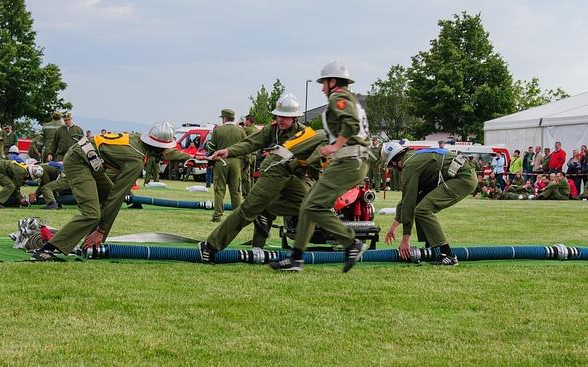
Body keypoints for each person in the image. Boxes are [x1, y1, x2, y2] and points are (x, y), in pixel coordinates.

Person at [198, 93, 328, 263]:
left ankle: (268, 212)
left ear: (295, 118)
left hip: (294, 176)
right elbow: (250, 143)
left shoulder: (307, 134)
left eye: (285, 116)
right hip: (274, 171)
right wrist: (228, 151)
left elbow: (316, 164)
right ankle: (210, 246)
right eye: (279, 115)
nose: (280, 119)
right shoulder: (271, 130)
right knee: (248, 209)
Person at [32, 123, 191, 261]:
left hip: (91, 160)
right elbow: (117, 195)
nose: (165, 153)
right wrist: (101, 230)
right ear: (157, 148)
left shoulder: (136, 140)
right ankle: (49, 249)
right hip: (79, 161)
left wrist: (196, 158)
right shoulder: (135, 161)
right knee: (92, 214)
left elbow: (168, 153)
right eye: (164, 149)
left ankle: (91, 245)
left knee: (106, 199)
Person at [270, 61, 370, 273]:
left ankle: (351, 244)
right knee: (307, 205)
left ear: (333, 82)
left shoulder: (338, 97)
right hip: (352, 160)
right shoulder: (348, 98)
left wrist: (335, 146)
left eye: (324, 83)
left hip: (349, 161)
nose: (322, 88)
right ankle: (296, 258)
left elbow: (351, 124)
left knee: (314, 206)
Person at [381, 142, 477, 265]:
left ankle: (447, 255)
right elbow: (408, 199)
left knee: (423, 210)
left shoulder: (409, 166)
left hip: (462, 178)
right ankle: (432, 248)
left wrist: (406, 238)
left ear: (394, 163)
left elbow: (409, 202)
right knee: (421, 205)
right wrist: (394, 226)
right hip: (463, 174)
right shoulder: (414, 157)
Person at [208, 109, 245, 222]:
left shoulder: (218, 130)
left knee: (219, 190)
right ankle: (237, 217)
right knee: (236, 191)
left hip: (220, 161)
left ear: (224, 118)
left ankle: (218, 215)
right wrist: (245, 164)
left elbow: (211, 148)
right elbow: (246, 148)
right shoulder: (241, 131)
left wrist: (211, 162)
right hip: (236, 162)